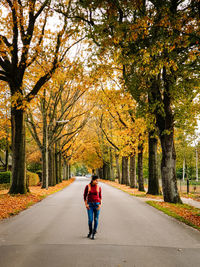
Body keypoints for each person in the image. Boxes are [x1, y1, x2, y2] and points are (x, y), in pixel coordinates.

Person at [83, 175, 102, 240]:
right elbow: (85, 196)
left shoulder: (99, 187)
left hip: (97, 205)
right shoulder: (87, 186)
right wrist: (86, 204)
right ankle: (90, 231)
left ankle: (94, 232)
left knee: (96, 219)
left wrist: (100, 205)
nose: (97, 181)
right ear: (93, 180)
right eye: (96, 180)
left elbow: (100, 197)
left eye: (98, 180)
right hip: (90, 205)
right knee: (90, 220)